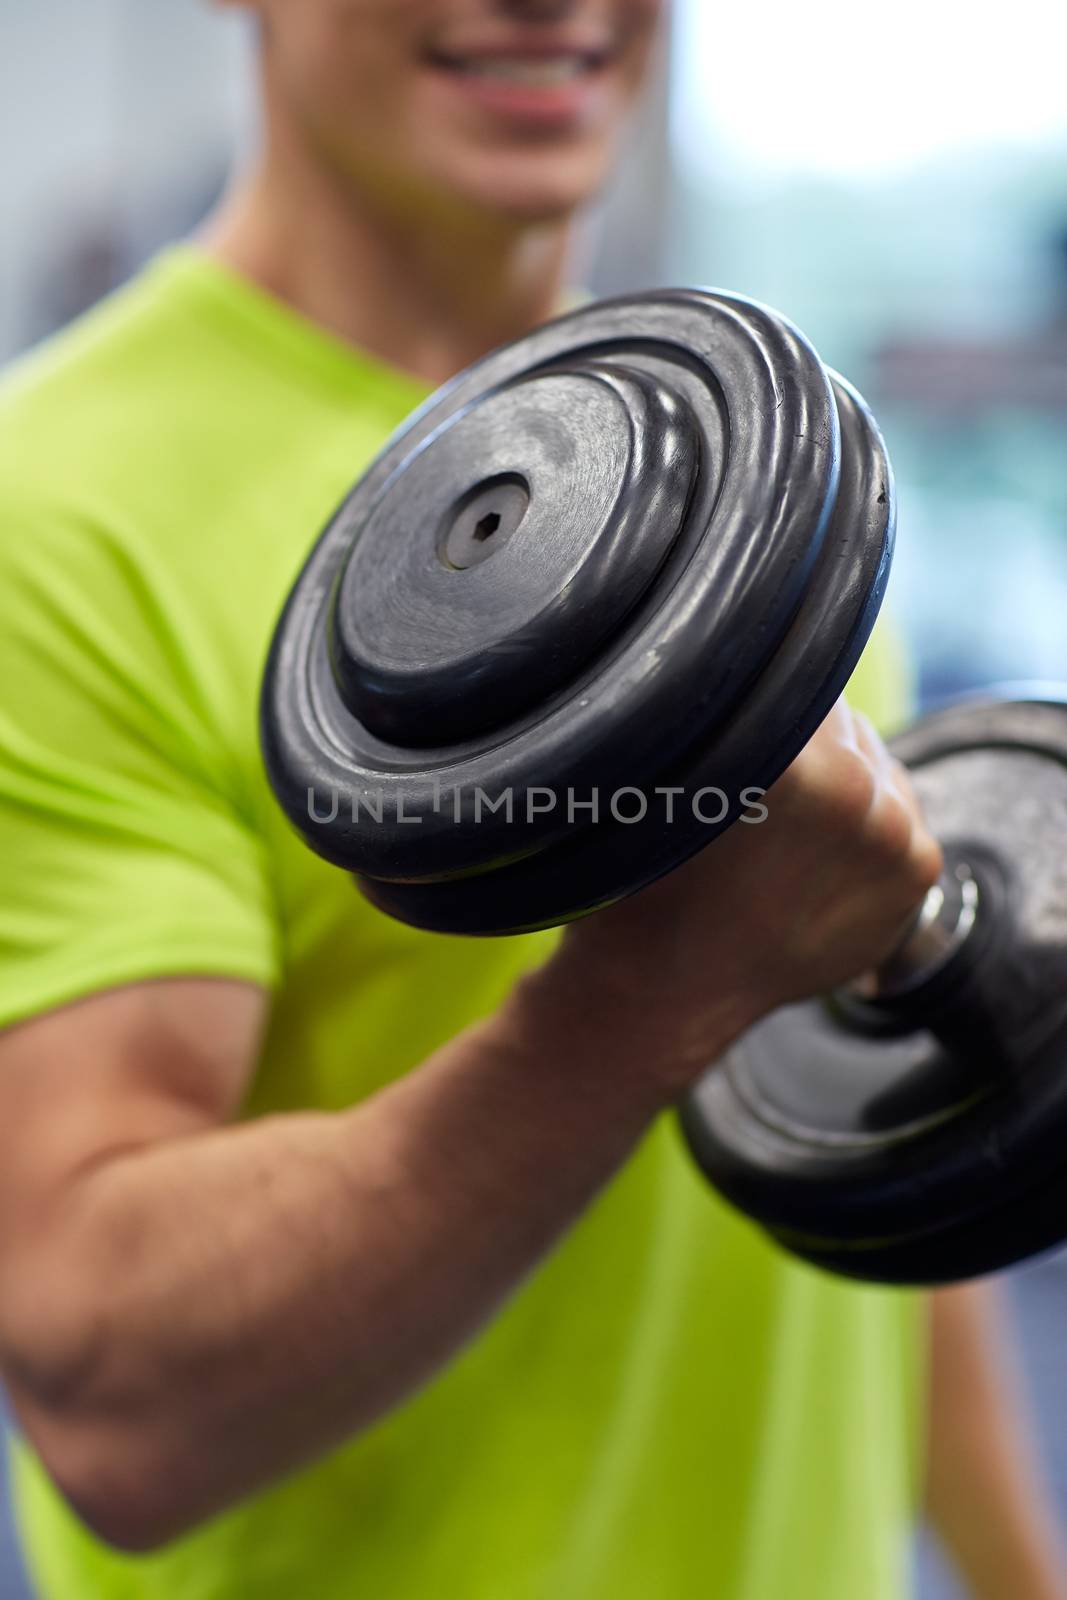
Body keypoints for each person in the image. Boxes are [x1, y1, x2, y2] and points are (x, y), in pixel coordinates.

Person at [0, 3, 1062, 1597]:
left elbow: (877, 1137)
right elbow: (112, 1400)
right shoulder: (55, 522)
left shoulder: (736, 461)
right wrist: (660, 984)